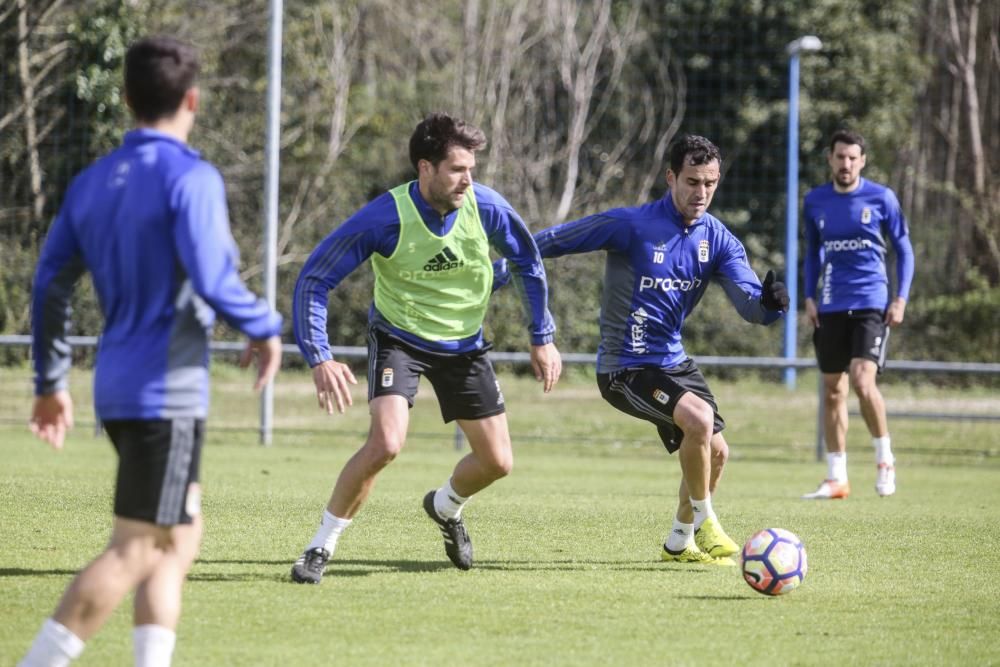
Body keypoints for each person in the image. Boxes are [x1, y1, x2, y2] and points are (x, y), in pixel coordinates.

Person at [20, 36, 283, 667]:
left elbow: (49, 282)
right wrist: (265, 325)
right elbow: (215, 278)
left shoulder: (90, 183)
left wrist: (51, 380)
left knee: (178, 538)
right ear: (192, 99)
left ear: (127, 98)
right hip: (167, 395)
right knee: (137, 547)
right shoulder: (191, 176)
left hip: (117, 387)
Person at [289, 111, 562, 584]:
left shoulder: (488, 207)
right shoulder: (384, 217)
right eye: (457, 169)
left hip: (465, 346)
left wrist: (543, 337)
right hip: (400, 338)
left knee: (498, 463)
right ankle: (319, 547)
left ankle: (445, 506)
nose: (467, 180)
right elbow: (315, 278)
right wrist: (321, 355)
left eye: (471, 170)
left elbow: (527, 262)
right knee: (386, 443)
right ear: (425, 168)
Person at [495, 134, 789, 565]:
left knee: (717, 451)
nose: (701, 192)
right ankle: (707, 522)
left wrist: (769, 305)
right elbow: (558, 239)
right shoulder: (632, 225)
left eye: (710, 182)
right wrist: (506, 264)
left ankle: (678, 541)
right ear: (671, 177)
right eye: (692, 181)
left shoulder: (718, 240)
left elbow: (750, 305)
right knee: (700, 420)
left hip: (673, 362)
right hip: (624, 368)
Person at [801, 129, 914, 500]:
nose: (846, 163)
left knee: (863, 381)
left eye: (853, 157)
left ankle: (884, 459)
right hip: (831, 303)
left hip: (871, 301)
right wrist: (809, 296)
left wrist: (899, 298)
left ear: (862, 160)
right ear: (830, 160)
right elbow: (813, 252)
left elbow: (904, 250)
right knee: (833, 390)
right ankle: (837, 477)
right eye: (840, 157)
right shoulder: (815, 201)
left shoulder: (882, 198)